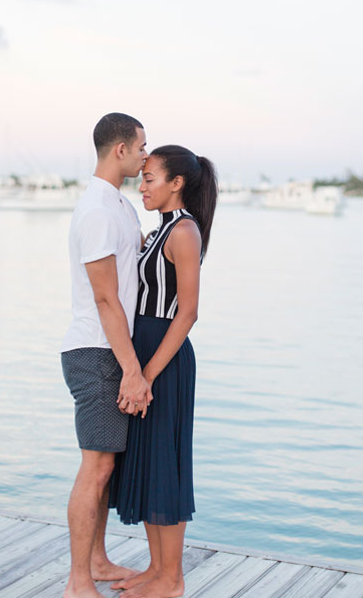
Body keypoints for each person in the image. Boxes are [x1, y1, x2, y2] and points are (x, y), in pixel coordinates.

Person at [109, 145, 217, 598]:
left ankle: (172, 580)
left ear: (177, 183)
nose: (142, 185)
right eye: (143, 176)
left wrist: (146, 374)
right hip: (146, 350)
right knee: (151, 463)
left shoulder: (184, 231)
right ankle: (157, 570)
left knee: (167, 466)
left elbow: (188, 313)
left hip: (165, 358)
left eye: (150, 178)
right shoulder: (160, 230)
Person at [61, 112, 150, 598]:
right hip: (96, 351)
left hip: (112, 349)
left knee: (107, 466)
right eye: (141, 146)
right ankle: (78, 581)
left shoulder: (120, 205)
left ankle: (97, 560)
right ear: (119, 149)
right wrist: (132, 370)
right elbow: (105, 298)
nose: (144, 154)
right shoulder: (96, 209)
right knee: (95, 467)